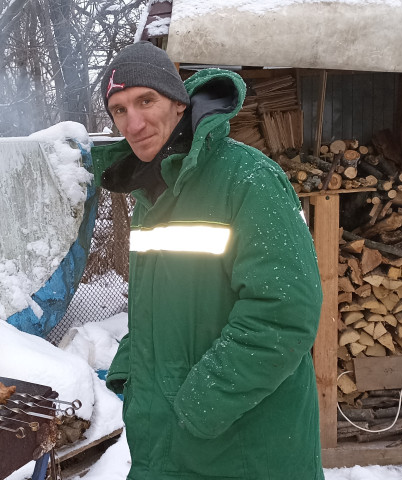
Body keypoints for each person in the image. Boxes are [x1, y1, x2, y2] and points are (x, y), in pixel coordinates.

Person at [91, 41, 325, 480]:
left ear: (179, 104)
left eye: (146, 100)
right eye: (119, 110)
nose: (134, 123)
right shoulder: (150, 193)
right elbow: (162, 306)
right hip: (170, 436)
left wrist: (200, 404)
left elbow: (284, 314)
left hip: (241, 444)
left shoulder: (247, 179)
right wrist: (133, 372)